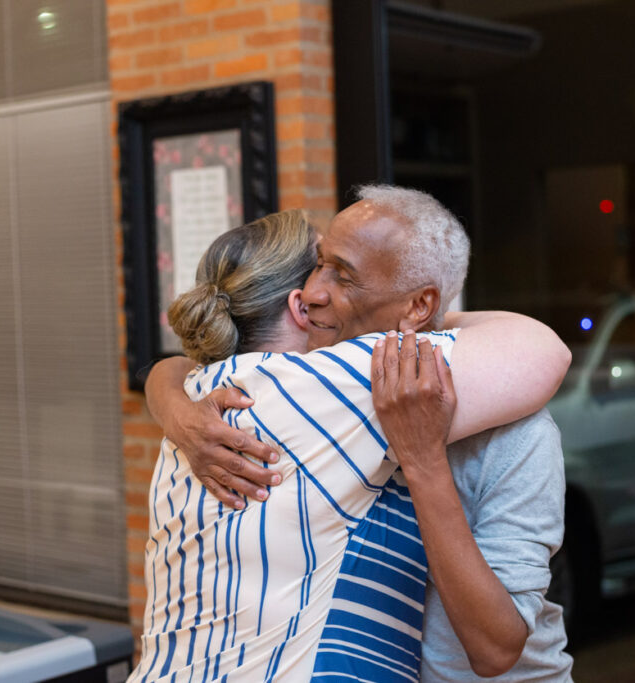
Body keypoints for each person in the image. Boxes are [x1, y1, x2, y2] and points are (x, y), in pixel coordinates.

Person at [134, 192, 571, 681]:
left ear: (418, 304)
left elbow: (497, 649)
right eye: (317, 266)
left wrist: (168, 393)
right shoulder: (311, 391)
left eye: (341, 275)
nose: (314, 292)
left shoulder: (517, 430)